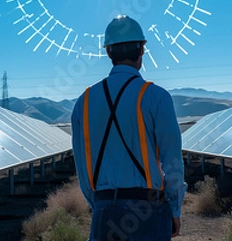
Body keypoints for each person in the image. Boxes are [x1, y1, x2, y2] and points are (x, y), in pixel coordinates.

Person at [71, 15, 186, 241]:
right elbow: (172, 160)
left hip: (104, 210)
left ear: (108, 52)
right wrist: (175, 208)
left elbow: (83, 169)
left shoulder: (83, 103)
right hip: (149, 210)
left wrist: (101, 205)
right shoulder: (156, 97)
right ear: (141, 50)